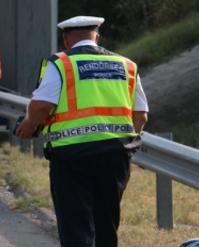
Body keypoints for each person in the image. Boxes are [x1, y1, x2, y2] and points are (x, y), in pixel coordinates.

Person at [14, 15, 149, 247]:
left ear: (66, 40)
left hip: (71, 157)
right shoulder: (126, 65)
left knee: (76, 227)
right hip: (115, 154)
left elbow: (41, 105)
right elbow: (141, 116)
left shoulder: (61, 63)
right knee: (106, 226)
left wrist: (29, 124)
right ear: (97, 36)